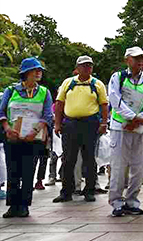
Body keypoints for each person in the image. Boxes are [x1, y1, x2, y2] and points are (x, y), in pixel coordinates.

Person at [108, 46, 143, 216]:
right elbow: (115, 100)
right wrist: (131, 118)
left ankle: (132, 201)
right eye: (136, 58)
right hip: (121, 128)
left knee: (139, 167)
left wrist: (139, 120)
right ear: (127, 60)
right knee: (119, 167)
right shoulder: (118, 77)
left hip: (141, 129)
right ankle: (116, 202)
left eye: (142, 58)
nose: (140, 62)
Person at [0, 58, 53, 217]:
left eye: (40, 70)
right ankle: (13, 205)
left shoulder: (44, 92)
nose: (38, 73)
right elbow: (1, 112)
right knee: (13, 171)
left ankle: (24, 205)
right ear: (25, 73)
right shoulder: (11, 90)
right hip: (12, 137)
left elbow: (47, 115)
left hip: (33, 138)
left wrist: (35, 131)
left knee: (28, 171)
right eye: (35, 70)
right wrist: (7, 128)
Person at [52, 56, 108, 203]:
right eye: (83, 66)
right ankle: (66, 191)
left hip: (90, 124)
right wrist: (58, 124)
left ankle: (89, 191)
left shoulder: (97, 84)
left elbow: (104, 105)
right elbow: (59, 104)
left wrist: (104, 123)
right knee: (68, 159)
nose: (87, 68)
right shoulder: (68, 82)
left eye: (89, 66)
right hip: (70, 124)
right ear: (77, 68)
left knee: (90, 159)